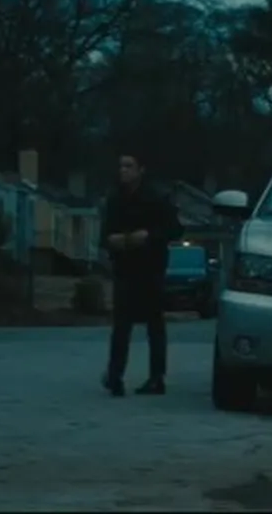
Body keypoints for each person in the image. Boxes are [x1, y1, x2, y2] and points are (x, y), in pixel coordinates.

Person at [100, 149, 184, 397]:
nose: (123, 171)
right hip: (124, 268)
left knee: (154, 324)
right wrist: (112, 240)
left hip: (151, 268)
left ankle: (157, 377)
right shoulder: (115, 199)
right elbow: (104, 234)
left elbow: (175, 229)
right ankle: (115, 376)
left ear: (141, 170)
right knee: (121, 325)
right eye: (121, 166)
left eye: (129, 166)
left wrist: (149, 236)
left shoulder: (156, 197)